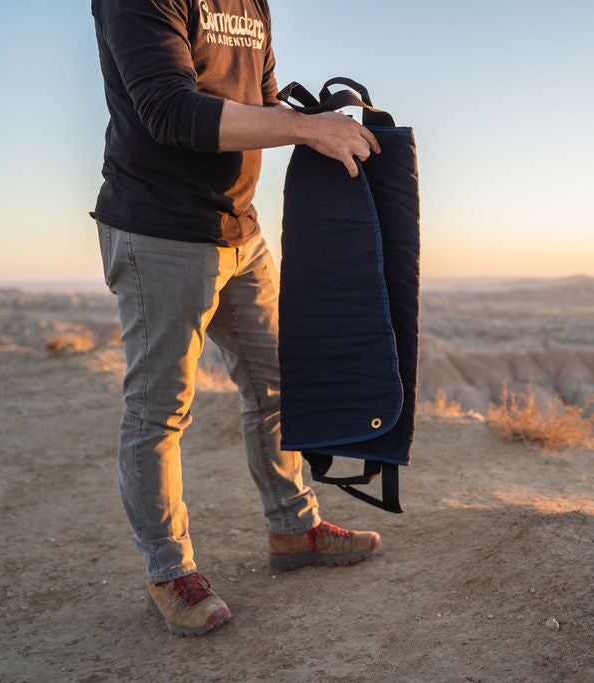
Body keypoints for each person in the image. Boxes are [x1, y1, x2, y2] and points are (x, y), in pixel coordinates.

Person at [90, 0, 382, 638]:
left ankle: (293, 530)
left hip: (237, 229)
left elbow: (265, 99)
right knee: (159, 409)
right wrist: (306, 131)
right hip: (159, 229)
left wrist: (320, 120)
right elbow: (169, 110)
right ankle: (169, 573)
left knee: (278, 385)